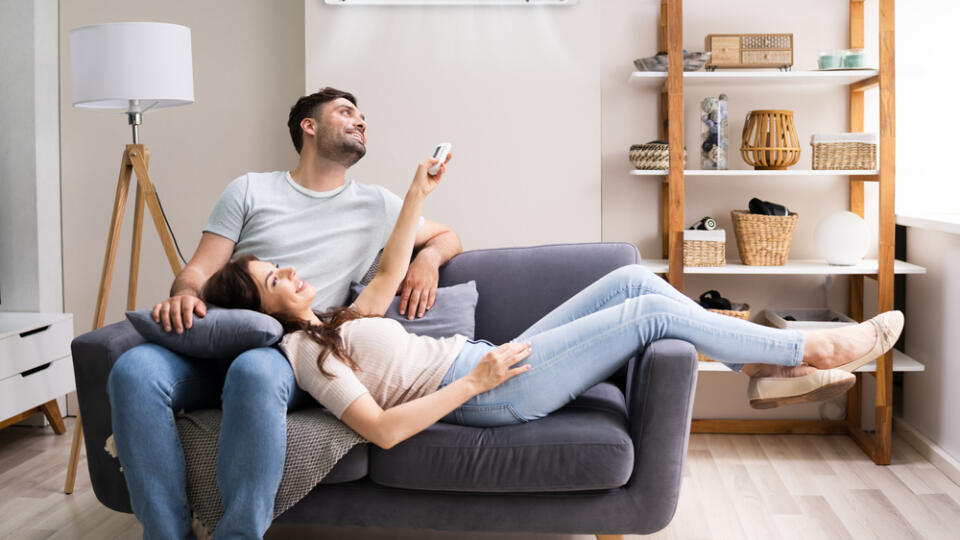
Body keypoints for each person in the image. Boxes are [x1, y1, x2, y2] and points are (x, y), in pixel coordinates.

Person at [201, 153, 904, 452]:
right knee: (650, 314)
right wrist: (474, 382)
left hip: (484, 362)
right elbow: (382, 431)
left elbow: (391, 264)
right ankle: (804, 349)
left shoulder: (334, 320)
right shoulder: (302, 353)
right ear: (262, 309)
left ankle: (759, 370)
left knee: (632, 281)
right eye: (274, 278)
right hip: (484, 392)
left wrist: (419, 191)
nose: (293, 271)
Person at [107, 87, 461, 539]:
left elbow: (447, 235)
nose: (361, 121)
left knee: (255, 370)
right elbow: (198, 269)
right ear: (308, 127)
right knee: (133, 369)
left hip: (289, 352)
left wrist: (426, 261)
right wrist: (186, 293)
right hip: (221, 338)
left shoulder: (379, 204)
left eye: (363, 116)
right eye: (346, 112)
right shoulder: (249, 189)